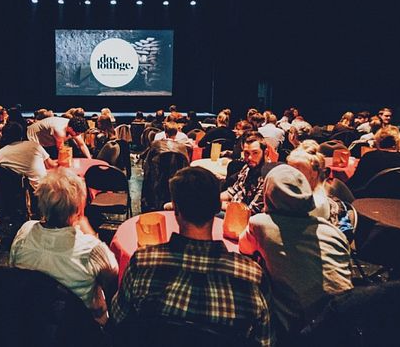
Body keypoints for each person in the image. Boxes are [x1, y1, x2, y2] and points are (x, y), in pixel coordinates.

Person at [112, 167, 272, 346]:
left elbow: (119, 319)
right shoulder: (251, 276)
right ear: (217, 207)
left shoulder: (143, 262)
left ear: (176, 210)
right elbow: (264, 341)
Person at [239, 164, 353, 336]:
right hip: (345, 323)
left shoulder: (261, 224)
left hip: (299, 330)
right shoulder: (333, 231)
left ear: (268, 194)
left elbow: (244, 247)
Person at [9, 168, 118, 325]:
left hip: (29, 323)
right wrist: (91, 235)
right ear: (79, 209)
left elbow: (14, 271)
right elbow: (113, 289)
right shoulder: (93, 251)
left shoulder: (24, 232)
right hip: (79, 330)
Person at [287, 141, 354, 237]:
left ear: (314, 173)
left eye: (297, 170)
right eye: (289, 169)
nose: (289, 174)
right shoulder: (308, 189)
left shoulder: (314, 203)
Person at [0, 123, 57, 189]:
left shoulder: (0, 153)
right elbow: (50, 165)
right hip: (39, 191)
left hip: (13, 193)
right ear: (21, 135)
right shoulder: (34, 145)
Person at [348, 125, 400, 191]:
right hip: (393, 196)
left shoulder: (369, 156)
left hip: (366, 195)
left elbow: (355, 181)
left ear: (378, 140)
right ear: (397, 141)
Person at [26, 115, 91, 159]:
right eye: (77, 133)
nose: (77, 135)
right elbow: (61, 150)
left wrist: (90, 160)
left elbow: (82, 145)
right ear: (70, 128)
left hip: (48, 138)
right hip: (32, 138)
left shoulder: (73, 126)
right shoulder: (59, 130)